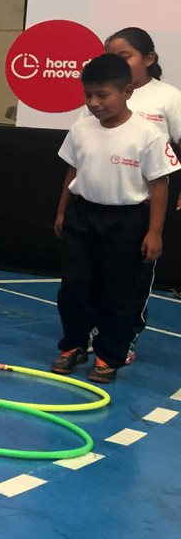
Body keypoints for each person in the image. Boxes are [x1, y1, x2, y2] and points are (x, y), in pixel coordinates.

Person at [51, 53, 178, 384]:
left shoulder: (147, 134)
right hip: (83, 216)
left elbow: (159, 185)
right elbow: (72, 169)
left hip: (127, 222)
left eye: (102, 95)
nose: (94, 103)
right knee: (73, 288)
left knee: (118, 294)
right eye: (88, 95)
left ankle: (109, 355)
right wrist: (63, 211)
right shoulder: (81, 128)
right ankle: (74, 346)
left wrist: (154, 232)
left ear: (127, 92)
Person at [102, 27, 181, 362]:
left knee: (132, 277)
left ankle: (126, 338)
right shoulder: (107, 94)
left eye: (125, 56)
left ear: (148, 59)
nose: (117, 64)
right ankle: (98, 333)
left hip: (145, 204)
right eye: (110, 57)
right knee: (98, 273)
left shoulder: (168, 97)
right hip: (105, 200)